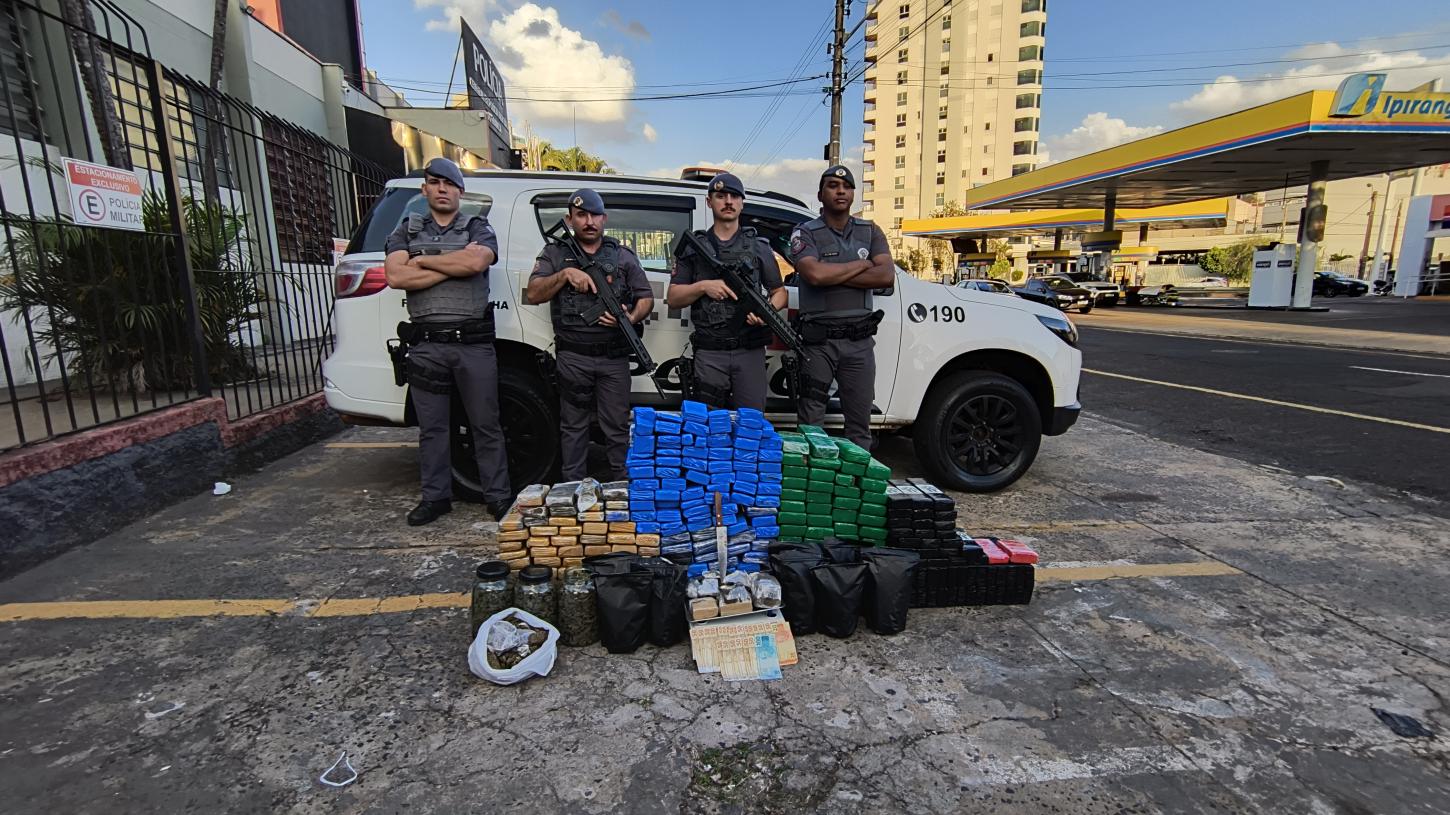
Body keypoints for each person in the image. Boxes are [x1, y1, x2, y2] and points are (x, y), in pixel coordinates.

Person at [384, 157, 511, 526]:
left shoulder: (477, 227)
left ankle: (498, 496)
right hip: (427, 346)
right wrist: (446, 263)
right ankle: (435, 498)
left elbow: (475, 265)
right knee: (433, 428)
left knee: (486, 424)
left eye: (449, 183)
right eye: (435, 182)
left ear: (460, 190)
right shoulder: (405, 229)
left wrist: (421, 260)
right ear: (425, 188)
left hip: (472, 344)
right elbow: (394, 275)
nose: (442, 189)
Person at [525, 189, 654, 481]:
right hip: (573, 357)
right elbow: (534, 293)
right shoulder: (554, 254)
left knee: (617, 425)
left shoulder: (622, 256)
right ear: (570, 219)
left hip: (613, 357)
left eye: (595, 215)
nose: (589, 221)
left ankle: (620, 483)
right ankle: (572, 485)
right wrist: (565, 276)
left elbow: (646, 297)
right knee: (573, 425)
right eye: (581, 215)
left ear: (604, 219)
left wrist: (629, 316)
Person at [787, 164, 895, 449]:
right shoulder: (805, 232)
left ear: (853, 194)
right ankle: (813, 489)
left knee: (860, 426)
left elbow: (885, 276)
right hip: (819, 344)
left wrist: (833, 272)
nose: (841, 191)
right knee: (810, 425)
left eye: (846, 186)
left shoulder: (870, 231)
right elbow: (814, 275)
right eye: (833, 185)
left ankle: (856, 490)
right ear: (820, 194)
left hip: (859, 344)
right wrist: (862, 264)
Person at [667, 172, 786, 411]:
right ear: (709, 202)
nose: (728, 201)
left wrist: (767, 312)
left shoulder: (759, 247)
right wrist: (703, 286)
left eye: (734, 196)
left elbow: (780, 292)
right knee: (707, 427)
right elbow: (673, 298)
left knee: (750, 426)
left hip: (749, 351)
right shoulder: (695, 247)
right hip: (710, 352)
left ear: (742, 202)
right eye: (721, 196)